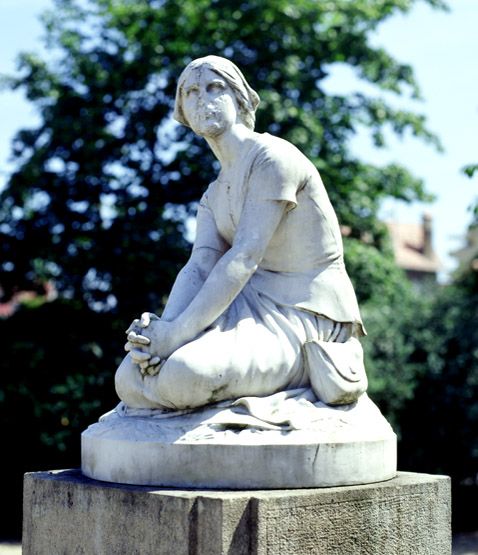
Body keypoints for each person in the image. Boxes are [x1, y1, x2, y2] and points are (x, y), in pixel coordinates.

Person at [115, 55, 366, 411]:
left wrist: (178, 336)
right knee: (128, 378)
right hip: (242, 302)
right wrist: (161, 332)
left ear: (240, 97)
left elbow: (245, 256)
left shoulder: (274, 159)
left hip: (303, 311)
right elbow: (199, 266)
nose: (203, 98)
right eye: (191, 91)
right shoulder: (213, 194)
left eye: (215, 87)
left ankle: (313, 365)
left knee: (185, 374)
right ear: (182, 110)